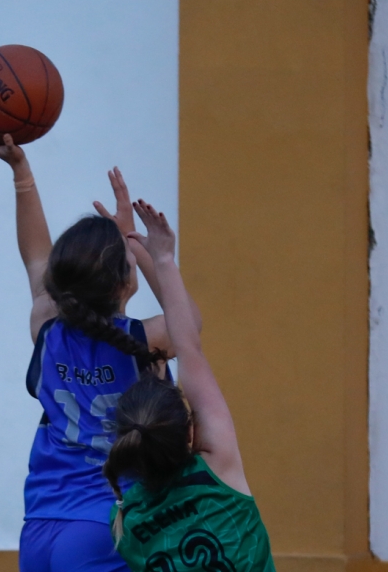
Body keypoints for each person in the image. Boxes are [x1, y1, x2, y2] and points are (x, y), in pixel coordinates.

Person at [0, 116, 197, 572]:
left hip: (41, 525)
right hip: (108, 524)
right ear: (124, 281)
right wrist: (145, 247)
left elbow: (35, 257)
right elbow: (190, 323)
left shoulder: (47, 328)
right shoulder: (145, 341)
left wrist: (21, 172)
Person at [102, 199, 276, 572]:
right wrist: (161, 258)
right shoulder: (219, 470)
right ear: (190, 429)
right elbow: (188, 348)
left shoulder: (127, 522)